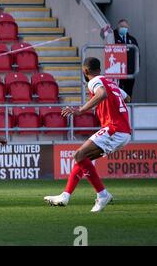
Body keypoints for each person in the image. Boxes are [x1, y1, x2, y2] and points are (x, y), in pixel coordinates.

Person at [44, 57, 131, 212]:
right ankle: (65, 195)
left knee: (79, 155)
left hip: (114, 128)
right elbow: (127, 97)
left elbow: (102, 94)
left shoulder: (94, 81)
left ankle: (103, 195)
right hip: (122, 130)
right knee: (82, 158)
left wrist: (80, 110)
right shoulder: (111, 82)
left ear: (85, 71)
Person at [114, 19, 139, 98]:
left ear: (128, 27)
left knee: (128, 92)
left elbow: (137, 55)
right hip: (117, 71)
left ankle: (128, 108)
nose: (123, 28)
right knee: (118, 92)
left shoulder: (132, 39)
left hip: (130, 71)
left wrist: (136, 68)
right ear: (118, 27)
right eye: (122, 26)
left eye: (125, 26)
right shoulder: (112, 37)